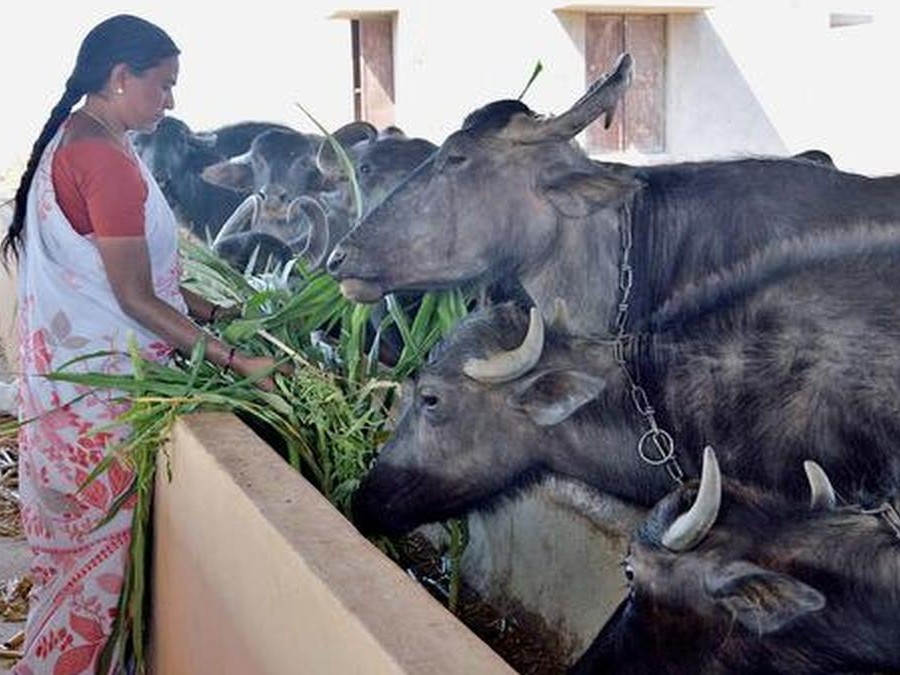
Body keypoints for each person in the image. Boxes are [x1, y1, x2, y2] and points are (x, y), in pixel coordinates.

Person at [1, 14, 283, 674]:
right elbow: (133, 297)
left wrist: (220, 310)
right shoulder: (103, 159)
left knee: (74, 583)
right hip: (100, 408)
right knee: (91, 596)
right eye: (163, 84)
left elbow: (144, 278)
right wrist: (237, 361)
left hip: (68, 389)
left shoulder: (81, 138)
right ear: (120, 77)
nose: (172, 101)